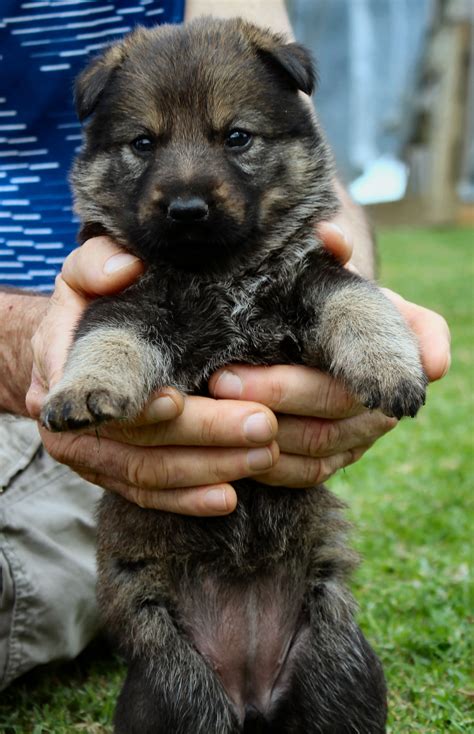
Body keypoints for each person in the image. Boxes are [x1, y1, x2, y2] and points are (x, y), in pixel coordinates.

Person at [0, 0, 450, 691]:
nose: (186, 191)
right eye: (143, 146)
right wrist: (71, 364)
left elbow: (330, 285)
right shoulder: (130, 261)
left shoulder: (253, 53)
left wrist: (367, 333)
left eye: (235, 138)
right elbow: (126, 333)